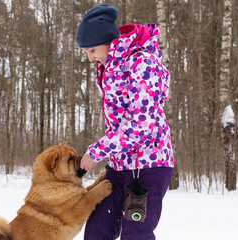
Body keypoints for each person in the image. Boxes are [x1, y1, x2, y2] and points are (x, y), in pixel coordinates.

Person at [76, 4, 174, 240]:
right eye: (86, 53)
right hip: (119, 165)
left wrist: (95, 152)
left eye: (92, 50)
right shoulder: (110, 66)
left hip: (148, 165)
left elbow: (140, 125)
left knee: (135, 235)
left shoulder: (143, 63)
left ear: (108, 40)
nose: (91, 58)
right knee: (98, 230)